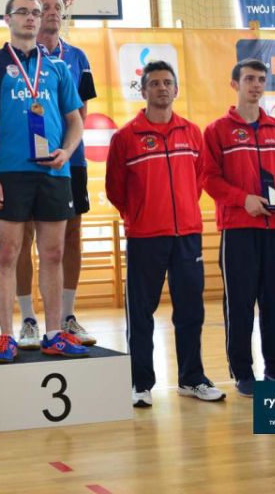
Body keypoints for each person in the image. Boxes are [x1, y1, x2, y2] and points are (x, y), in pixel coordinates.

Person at [0, 0, 87, 363]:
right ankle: (7, 335)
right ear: (7, 19)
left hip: (55, 172)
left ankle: (54, 333)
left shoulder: (57, 68)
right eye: (23, 12)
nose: (31, 18)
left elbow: (75, 120)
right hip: (11, 172)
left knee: (53, 253)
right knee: (8, 252)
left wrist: (66, 152)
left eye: (36, 13)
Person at [106, 61, 225, 407]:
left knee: (191, 310)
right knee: (141, 313)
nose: (162, 88)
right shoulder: (125, 137)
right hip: (145, 237)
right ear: (143, 91)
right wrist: (140, 215)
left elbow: (199, 178)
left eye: (167, 83)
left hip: (187, 235)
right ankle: (140, 383)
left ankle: (192, 379)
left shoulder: (192, 132)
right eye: (155, 83)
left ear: (176, 89)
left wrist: (182, 209)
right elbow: (115, 189)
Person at [203, 58, 275, 396]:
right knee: (240, 304)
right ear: (235, 84)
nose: (256, 85)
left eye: (261, 79)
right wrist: (243, 200)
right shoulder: (217, 131)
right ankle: (243, 373)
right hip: (238, 229)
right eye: (249, 79)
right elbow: (209, 178)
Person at [16, 0, 98, 348]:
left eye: (57, 8)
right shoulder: (18, 57)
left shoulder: (77, 58)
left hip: (70, 161)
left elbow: (82, 113)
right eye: (43, 8)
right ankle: (28, 318)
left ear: (64, 15)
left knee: (71, 235)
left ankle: (67, 315)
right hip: (24, 162)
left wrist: (65, 148)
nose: (51, 13)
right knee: (23, 237)